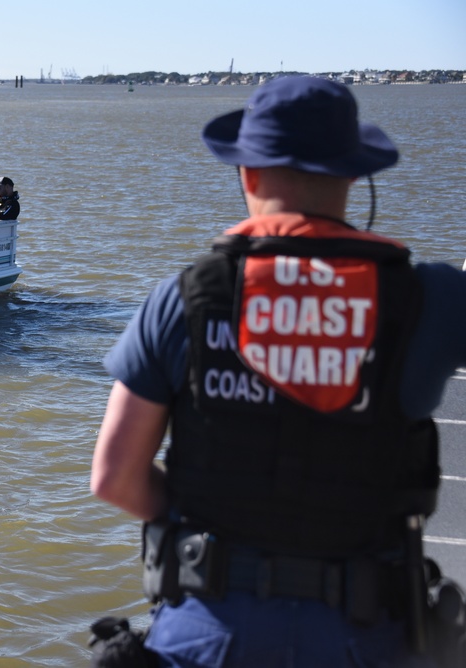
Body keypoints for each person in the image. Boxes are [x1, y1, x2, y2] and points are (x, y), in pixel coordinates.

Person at [90, 76, 466, 667]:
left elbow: (114, 477)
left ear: (248, 175)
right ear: (351, 176)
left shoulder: (183, 299)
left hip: (208, 633)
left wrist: (208, 521)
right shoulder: (432, 298)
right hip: (369, 638)